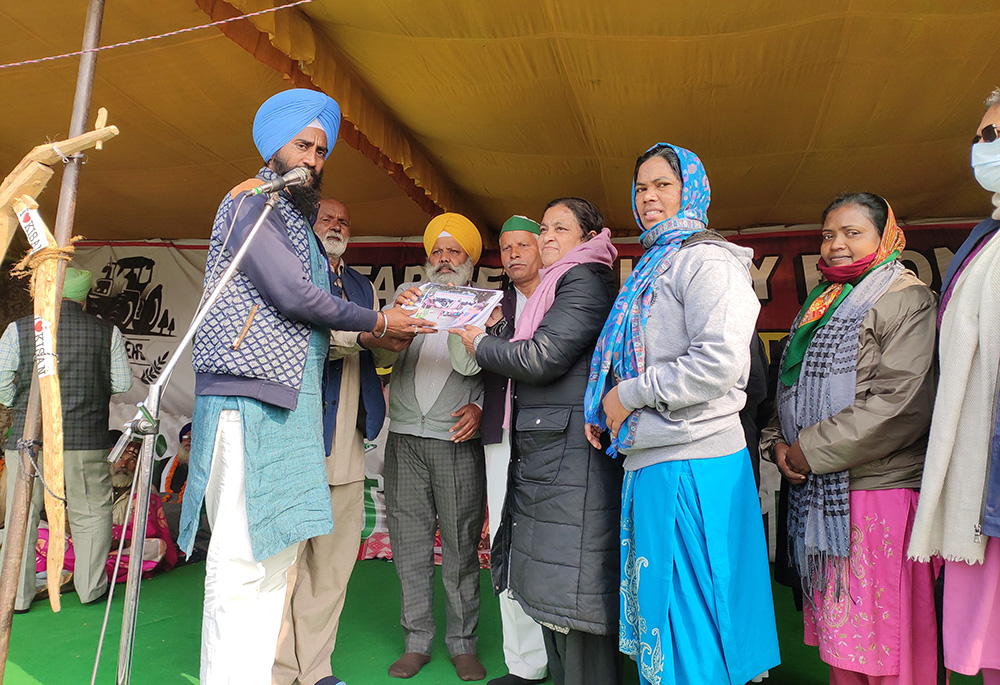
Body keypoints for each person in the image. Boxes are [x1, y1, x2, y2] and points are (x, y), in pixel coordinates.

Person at [179, 88, 430, 684]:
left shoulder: (295, 219)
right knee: (241, 565)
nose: (313, 158)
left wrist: (385, 325)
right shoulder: (252, 204)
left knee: (274, 560)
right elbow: (294, 297)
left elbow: (325, 311)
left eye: (321, 149)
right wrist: (377, 320)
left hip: (290, 407)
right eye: (302, 144)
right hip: (244, 400)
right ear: (272, 145)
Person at [584, 144, 779, 685]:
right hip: (657, 455)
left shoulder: (706, 259)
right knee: (670, 620)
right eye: (641, 187)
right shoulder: (656, 261)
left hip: (694, 460)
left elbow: (718, 363)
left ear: (691, 187)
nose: (649, 197)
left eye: (662, 184)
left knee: (693, 619)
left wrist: (630, 395)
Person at [764, 192, 938, 684]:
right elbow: (790, 390)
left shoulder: (906, 298)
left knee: (890, 645)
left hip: (879, 490)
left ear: (885, 237)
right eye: (828, 234)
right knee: (845, 643)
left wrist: (808, 450)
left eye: (852, 232)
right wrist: (779, 442)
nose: (836, 244)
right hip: (824, 496)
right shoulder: (820, 304)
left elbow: (901, 406)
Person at [452, 198, 622, 685]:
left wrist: (481, 344)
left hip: (571, 452)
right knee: (545, 575)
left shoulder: (583, 278)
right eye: (544, 227)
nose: (546, 237)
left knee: (573, 581)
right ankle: (538, 669)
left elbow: (544, 357)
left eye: (559, 228)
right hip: (548, 448)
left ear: (588, 238)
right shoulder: (556, 283)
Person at [273, 198, 402, 685]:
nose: (335, 226)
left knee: (332, 565)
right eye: (326, 218)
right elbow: (306, 338)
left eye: (344, 220)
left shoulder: (362, 286)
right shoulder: (290, 275)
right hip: (292, 441)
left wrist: (389, 340)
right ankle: (280, 669)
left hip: (345, 440)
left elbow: (374, 353)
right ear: (308, 225)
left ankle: (316, 669)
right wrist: (367, 335)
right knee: (284, 568)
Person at [909, 88, 1000, 685]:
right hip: (979, 471)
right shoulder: (987, 235)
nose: (980, 146)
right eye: (979, 135)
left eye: (992, 135)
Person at [382, 213, 487, 681]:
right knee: (409, 544)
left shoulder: (486, 307)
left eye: (454, 252)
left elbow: (477, 371)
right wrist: (395, 323)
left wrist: (461, 318)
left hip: (454, 437)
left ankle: (463, 643)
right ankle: (417, 641)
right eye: (438, 252)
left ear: (469, 261)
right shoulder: (409, 301)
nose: (444, 260)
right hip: (405, 438)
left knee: (463, 546)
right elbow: (381, 359)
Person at [449, 215, 548, 685]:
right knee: (505, 544)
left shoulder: (561, 296)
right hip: (501, 438)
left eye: (522, 244)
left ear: (545, 247)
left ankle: (565, 654)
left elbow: (539, 357)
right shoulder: (489, 301)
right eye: (505, 247)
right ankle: (524, 664)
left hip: (554, 439)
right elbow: (467, 361)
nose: (512, 254)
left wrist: (501, 328)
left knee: (551, 545)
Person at [0, 266, 133, 612]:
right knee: (90, 512)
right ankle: (90, 589)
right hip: (85, 440)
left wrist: (20, 396)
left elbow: (0, 384)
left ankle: (18, 597)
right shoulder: (108, 333)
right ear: (86, 296)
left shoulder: (19, 330)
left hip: (29, 443)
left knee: (22, 517)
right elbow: (121, 384)